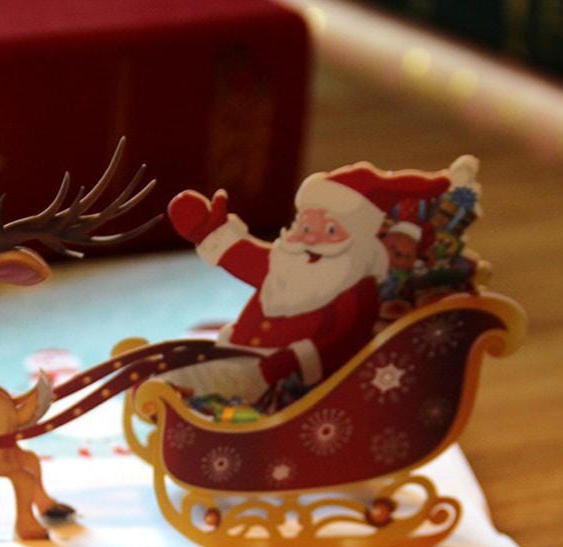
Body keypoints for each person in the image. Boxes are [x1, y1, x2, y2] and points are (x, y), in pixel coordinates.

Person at [166, 159, 477, 405]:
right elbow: (244, 259)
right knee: (182, 372)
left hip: (277, 377)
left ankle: (180, 405)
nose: (310, 240)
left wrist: (284, 363)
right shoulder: (286, 265)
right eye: (304, 228)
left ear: (357, 241)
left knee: (202, 382)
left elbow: (342, 341)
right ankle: (170, 397)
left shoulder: (355, 289)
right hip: (237, 352)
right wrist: (207, 231)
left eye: (328, 231)